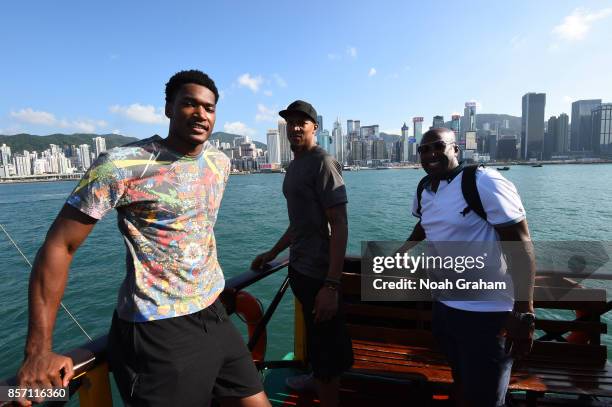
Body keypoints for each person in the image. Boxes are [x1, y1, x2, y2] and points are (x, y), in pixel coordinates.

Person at [16, 70, 270, 407]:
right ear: (168, 108)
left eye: (209, 108)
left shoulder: (220, 163)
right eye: (189, 104)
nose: (201, 114)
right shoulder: (121, 165)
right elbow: (60, 246)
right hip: (156, 330)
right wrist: (38, 351)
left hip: (214, 313)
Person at [398, 128, 536, 407]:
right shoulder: (425, 188)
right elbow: (425, 223)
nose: (431, 154)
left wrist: (525, 313)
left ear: (456, 150)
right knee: (462, 380)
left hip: (487, 315)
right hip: (445, 309)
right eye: (424, 150)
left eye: (438, 146)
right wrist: (400, 252)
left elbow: (521, 245)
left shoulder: (483, 182)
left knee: (486, 396)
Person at [251, 100, 352, 407]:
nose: (295, 128)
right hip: (300, 269)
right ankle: (313, 379)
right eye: (290, 123)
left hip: (319, 274)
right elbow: (300, 224)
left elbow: (340, 222)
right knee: (316, 341)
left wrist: (331, 284)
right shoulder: (294, 165)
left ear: (314, 128)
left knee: (327, 353)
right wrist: (273, 252)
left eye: (301, 122)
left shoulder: (323, 162)